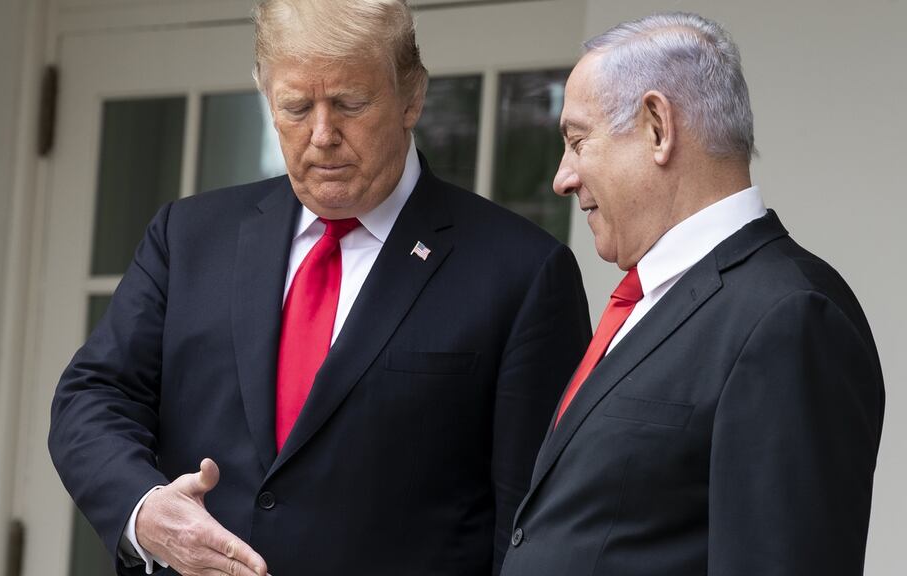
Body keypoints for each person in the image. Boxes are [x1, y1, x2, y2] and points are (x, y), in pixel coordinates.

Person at [48, 1, 591, 575]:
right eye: (296, 107)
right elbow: (91, 398)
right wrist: (145, 510)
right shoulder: (188, 237)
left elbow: (532, 529)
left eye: (350, 104)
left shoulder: (524, 273)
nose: (323, 134)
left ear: (413, 97)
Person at [500, 12, 884, 576]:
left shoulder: (790, 316)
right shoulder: (648, 298)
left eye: (578, 142)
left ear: (658, 126)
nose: (562, 177)